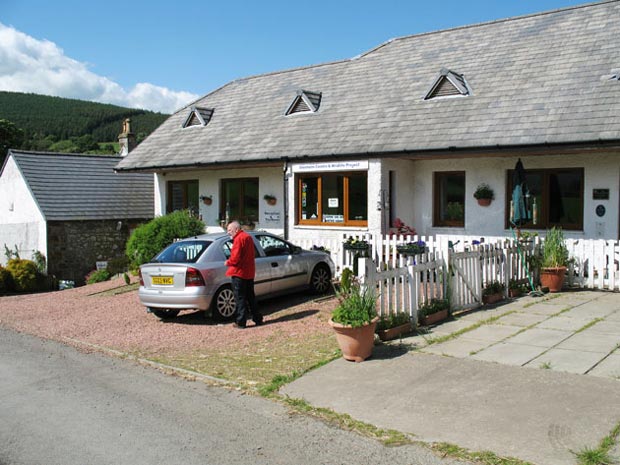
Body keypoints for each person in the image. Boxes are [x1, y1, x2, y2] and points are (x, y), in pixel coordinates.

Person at [225, 221, 263, 328]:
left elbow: (235, 258)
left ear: (236, 230)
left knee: (240, 298)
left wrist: (228, 262)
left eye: (229, 230)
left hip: (239, 273)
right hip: (249, 272)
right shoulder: (248, 237)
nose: (228, 233)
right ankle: (257, 318)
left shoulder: (238, 239)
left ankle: (241, 321)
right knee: (251, 297)